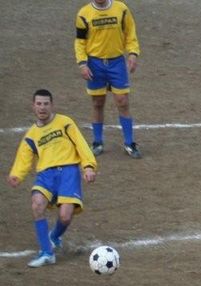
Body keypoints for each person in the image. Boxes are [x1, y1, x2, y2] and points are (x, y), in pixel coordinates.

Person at [6, 89, 97, 268]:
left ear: (52, 105)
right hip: (45, 175)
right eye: (39, 104)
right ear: (33, 106)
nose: (42, 107)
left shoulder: (65, 122)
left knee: (65, 217)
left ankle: (54, 236)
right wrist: (17, 174)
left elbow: (81, 144)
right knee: (37, 204)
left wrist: (88, 166)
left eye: (46, 104)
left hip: (69, 172)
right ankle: (47, 253)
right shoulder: (31, 135)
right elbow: (24, 157)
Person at [75, 0, 142, 158]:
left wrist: (133, 53)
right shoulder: (83, 14)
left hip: (116, 63)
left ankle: (129, 143)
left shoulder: (121, 9)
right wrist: (82, 64)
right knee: (97, 103)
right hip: (95, 64)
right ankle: (97, 142)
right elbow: (80, 42)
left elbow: (130, 32)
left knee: (122, 101)